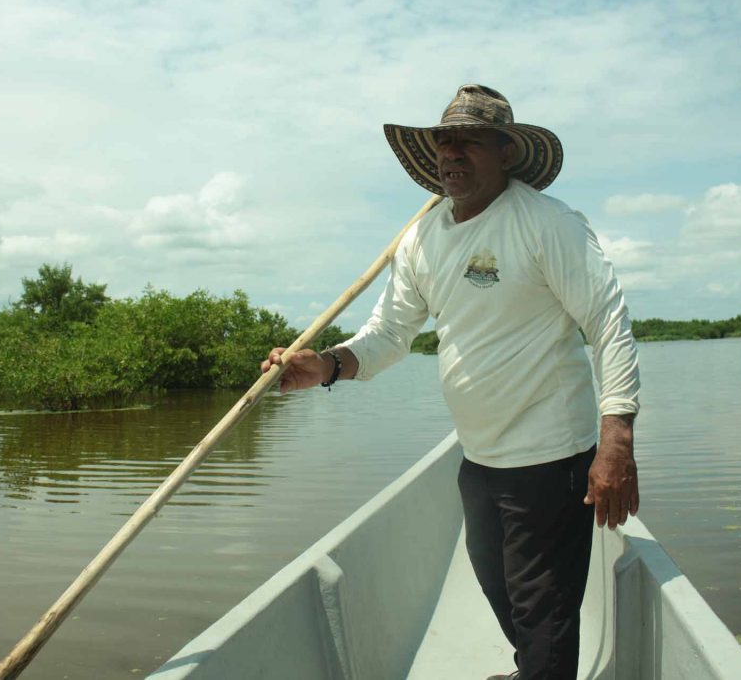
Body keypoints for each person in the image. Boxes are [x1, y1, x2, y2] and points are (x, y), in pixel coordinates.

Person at [260, 84, 640, 680]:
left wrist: (615, 439)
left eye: (470, 141)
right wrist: (327, 365)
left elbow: (608, 321)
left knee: (543, 610)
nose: (452, 153)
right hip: (480, 455)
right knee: (496, 583)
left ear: (506, 152)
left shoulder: (549, 224)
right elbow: (388, 335)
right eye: (444, 141)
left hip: (550, 457)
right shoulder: (422, 237)